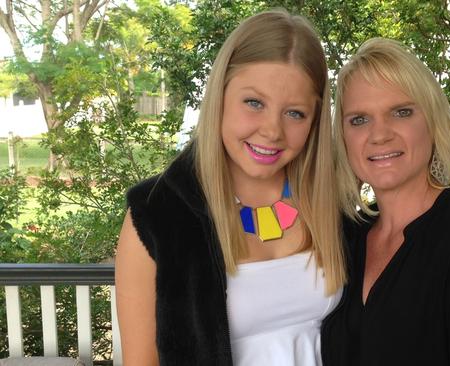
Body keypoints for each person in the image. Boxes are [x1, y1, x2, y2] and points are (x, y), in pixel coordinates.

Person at [115, 10, 346, 366]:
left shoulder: (331, 204)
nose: (272, 130)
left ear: (314, 120)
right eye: (254, 103)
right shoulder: (158, 216)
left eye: (295, 113)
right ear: (219, 96)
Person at [321, 37, 450, 365]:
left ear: (432, 124)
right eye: (359, 119)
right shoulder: (346, 236)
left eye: (401, 112)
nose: (380, 134)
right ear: (344, 138)